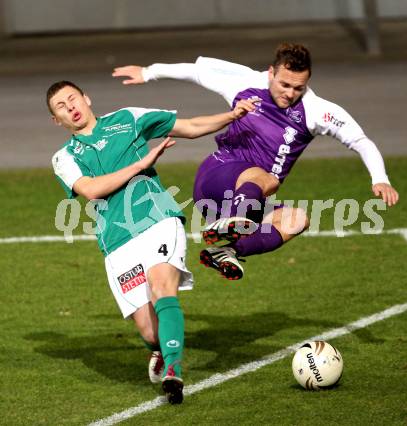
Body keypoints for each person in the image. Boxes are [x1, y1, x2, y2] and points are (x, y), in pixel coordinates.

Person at [112, 42, 399, 281]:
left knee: (297, 220)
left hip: (246, 197)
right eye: (284, 84)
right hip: (217, 176)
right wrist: (149, 72)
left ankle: (227, 252)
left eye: (298, 87)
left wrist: (380, 178)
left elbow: (360, 140)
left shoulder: (317, 111)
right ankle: (238, 219)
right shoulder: (245, 81)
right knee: (269, 179)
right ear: (271, 72)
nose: (290, 93)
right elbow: (197, 72)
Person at [48, 80, 256, 404]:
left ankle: (173, 370)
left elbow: (188, 126)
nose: (70, 107)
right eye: (61, 107)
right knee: (148, 332)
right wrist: (140, 165)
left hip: (159, 220)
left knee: (162, 286)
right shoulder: (63, 158)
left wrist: (232, 116)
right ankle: (161, 350)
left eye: (72, 98)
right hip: (117, 242)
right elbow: (90, 189)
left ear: (86, 97)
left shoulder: (127, 119)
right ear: (56, 121)